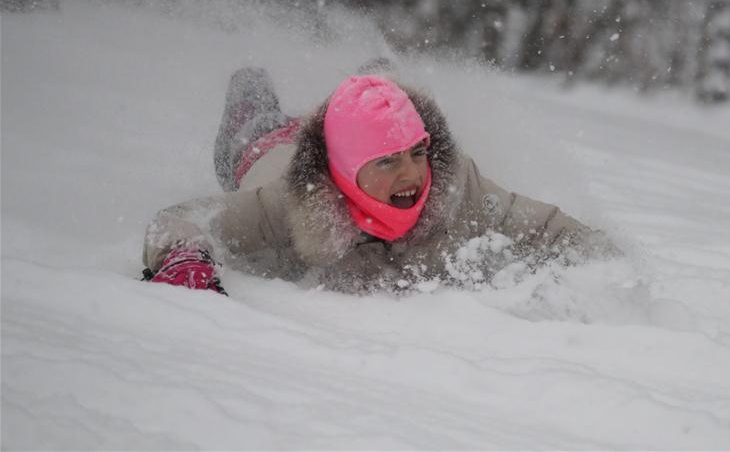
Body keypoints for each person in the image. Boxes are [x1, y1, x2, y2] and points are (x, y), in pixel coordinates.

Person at [142, 63, 619, 294]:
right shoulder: (289, 205)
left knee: (381, 88)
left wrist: (604, 268)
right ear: (348, 175)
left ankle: (373, 83)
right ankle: (253, 94)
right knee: (252, 137)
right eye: (389, 162)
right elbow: (178, 220)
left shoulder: (457, 190)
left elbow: (549, 228)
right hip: (273, 153)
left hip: (343, 137)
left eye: (417, 152)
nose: (413, 173)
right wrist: (185, 257)